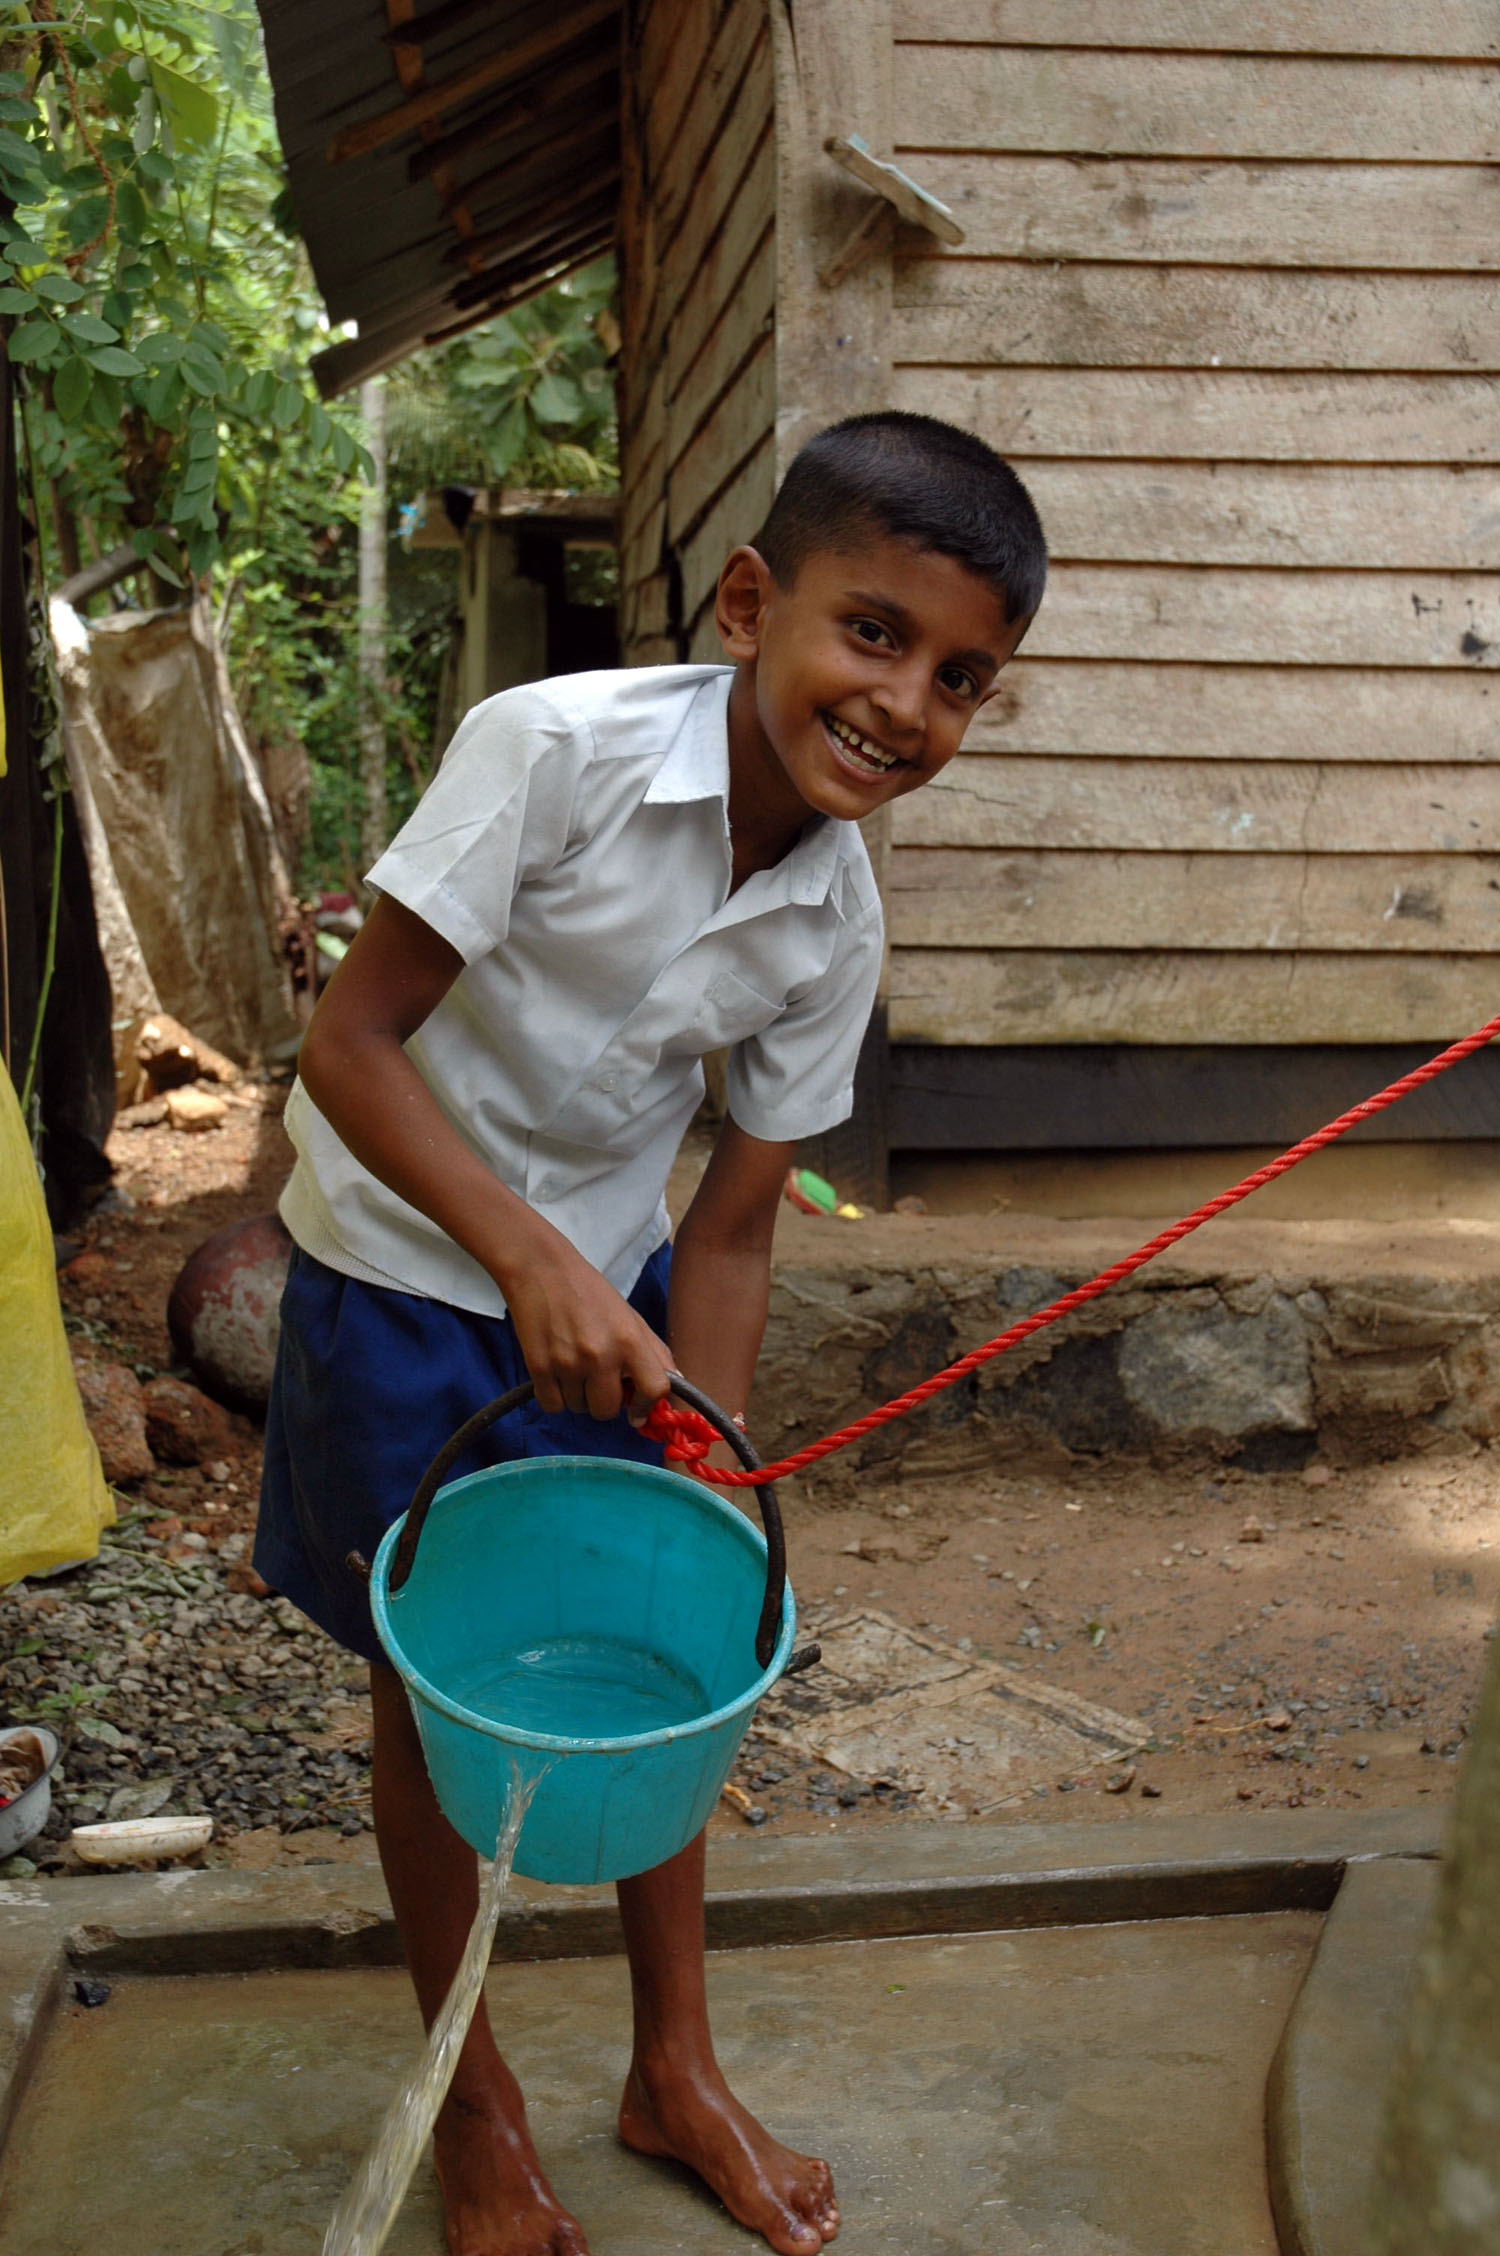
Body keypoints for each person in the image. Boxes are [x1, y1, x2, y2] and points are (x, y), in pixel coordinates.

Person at [255, 410, 1046, 2256]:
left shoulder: (835, 916)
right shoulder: (552, 751)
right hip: (395, 1279)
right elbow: (349, 1048)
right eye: (873, 635)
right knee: (432, 1697)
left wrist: (711, 1446)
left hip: (608, 1310)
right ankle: (478, 2107)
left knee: (670, 1654)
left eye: (960, 679)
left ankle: (670, 2070)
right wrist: (527, 1261)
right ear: (751, 598)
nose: (905, 706)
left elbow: (741, 1219)